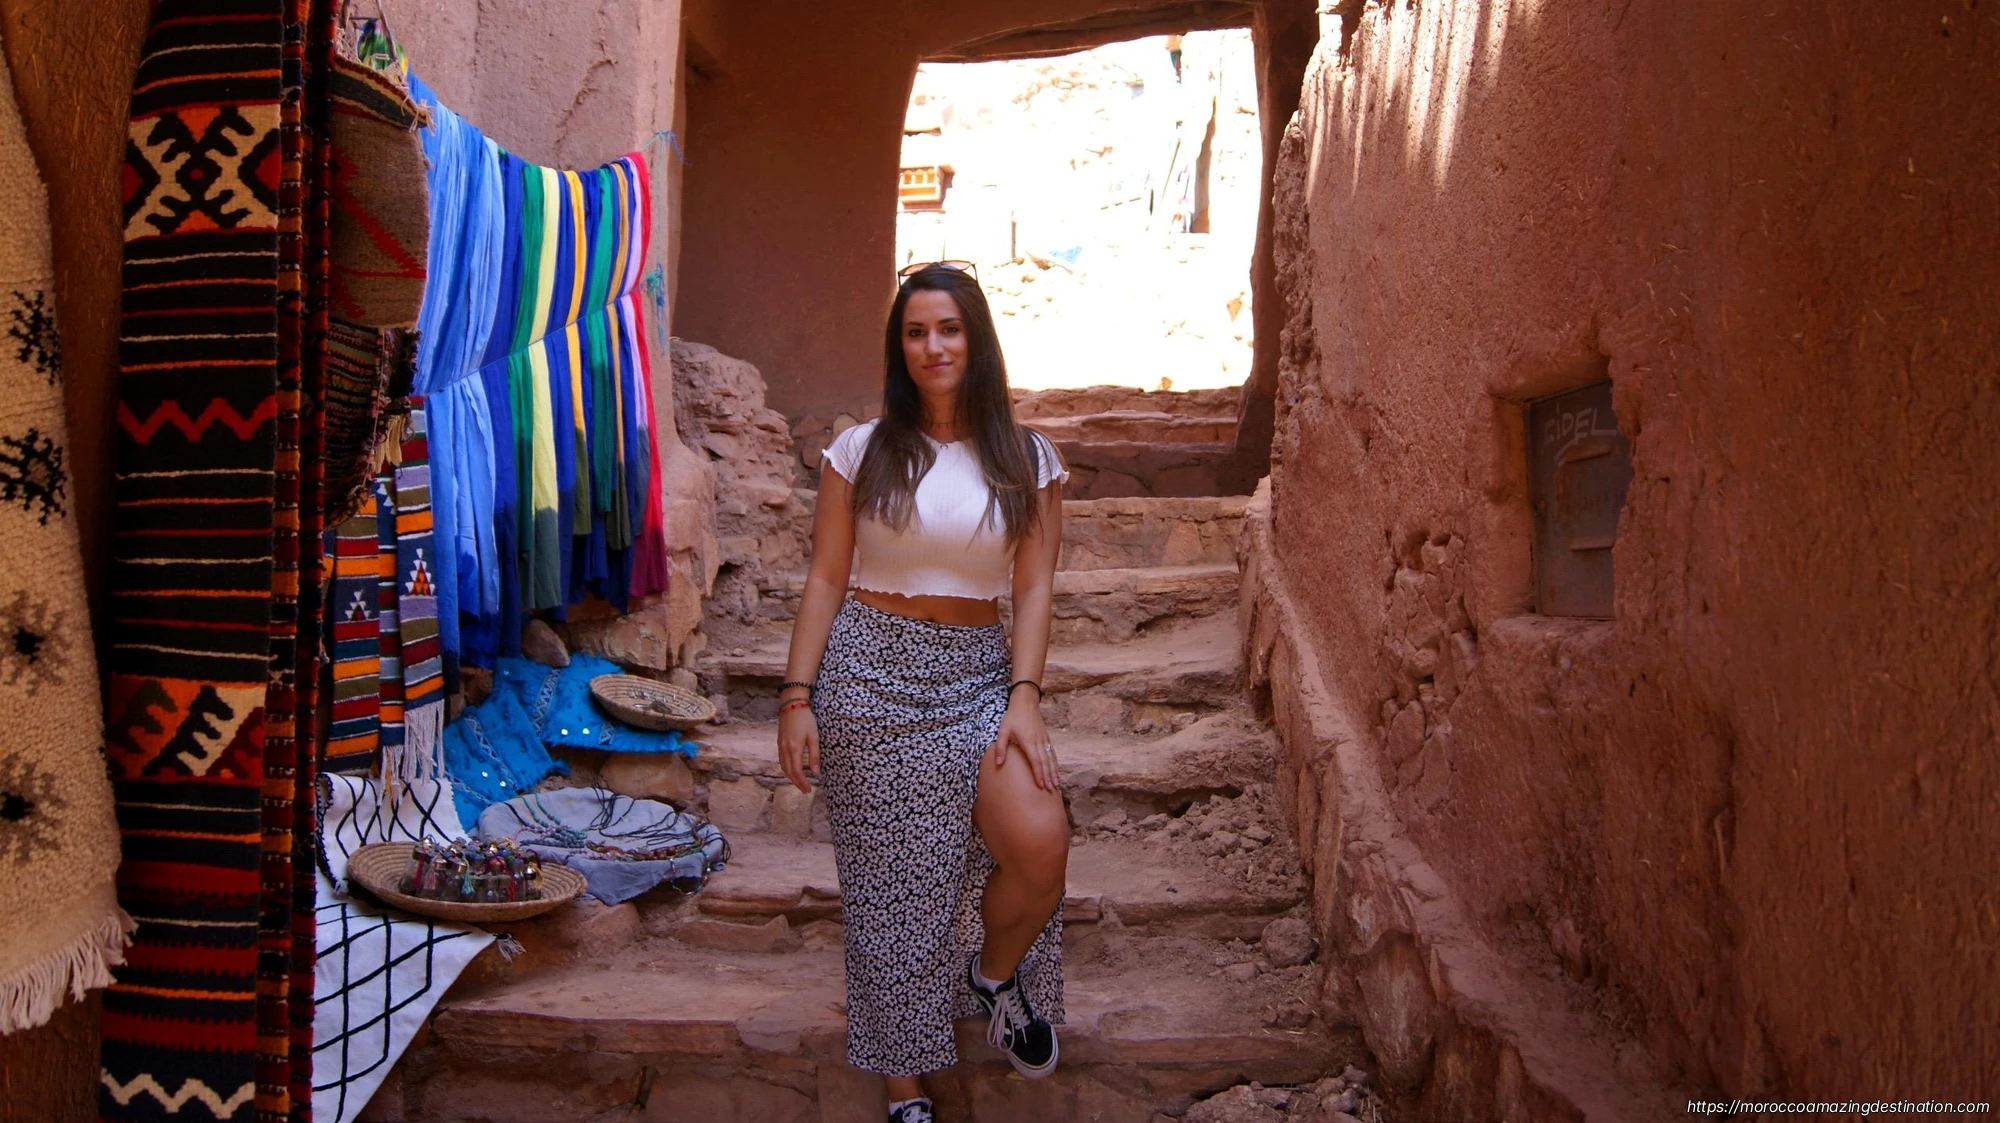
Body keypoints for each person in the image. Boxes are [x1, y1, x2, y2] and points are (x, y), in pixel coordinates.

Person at [776, 261, 1071, 1123]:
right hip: (870, 674)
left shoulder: (1029, 458)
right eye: (915, 331)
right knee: (890, 891)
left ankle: (992, 975)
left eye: (948, 328)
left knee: (1039, 839)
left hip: (979, 673)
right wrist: (798, 695)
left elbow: (1035, 588)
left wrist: (1025, 695)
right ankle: (903, 1085)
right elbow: (826, 578)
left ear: (975, 340)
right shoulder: (859, 451)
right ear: (898, 346)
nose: (932, 346)